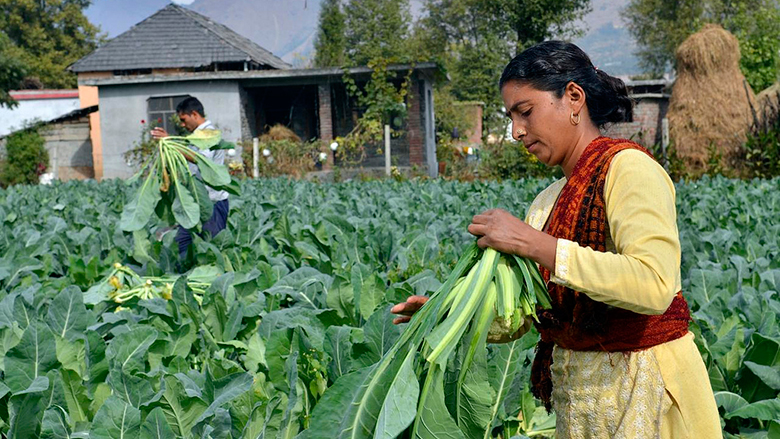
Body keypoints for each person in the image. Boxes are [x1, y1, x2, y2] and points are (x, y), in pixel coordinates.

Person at [391, 41, 722, 438]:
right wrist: (449, 312)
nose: (516, 131)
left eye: (525, 112)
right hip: (579, 403)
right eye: (511, 117)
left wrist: (533, 243)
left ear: (573, 98)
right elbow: (531, 315)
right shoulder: (546, 202)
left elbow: (654, 285)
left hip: (647, 392)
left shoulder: (630, 170)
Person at [151, 96, 230, 259]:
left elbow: (200, 159)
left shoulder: (209, 134)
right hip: (195, 203)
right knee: (182, 245)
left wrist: (169, 141)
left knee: (211, 250)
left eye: (183, 119)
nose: (182, 124)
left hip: (212, 203)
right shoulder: (195, 137)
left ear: (194, 114)